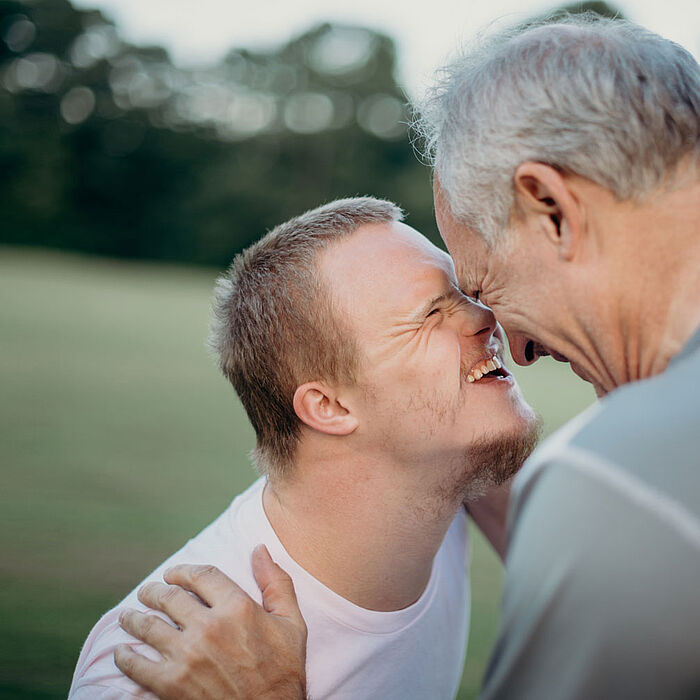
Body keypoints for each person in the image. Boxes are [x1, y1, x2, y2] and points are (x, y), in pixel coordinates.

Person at [114, 14, 700, 700]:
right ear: (326, 405)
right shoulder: (141, 666)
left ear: (552, 208)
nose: (519, 347)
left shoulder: (618, 486)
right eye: (439, 309)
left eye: (483, 286)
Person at [69, 197, 539, 699]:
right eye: (430, 313)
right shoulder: (163, 666)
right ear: (329, 406)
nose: (486, 316)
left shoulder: (448, 471)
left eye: (464, 292)